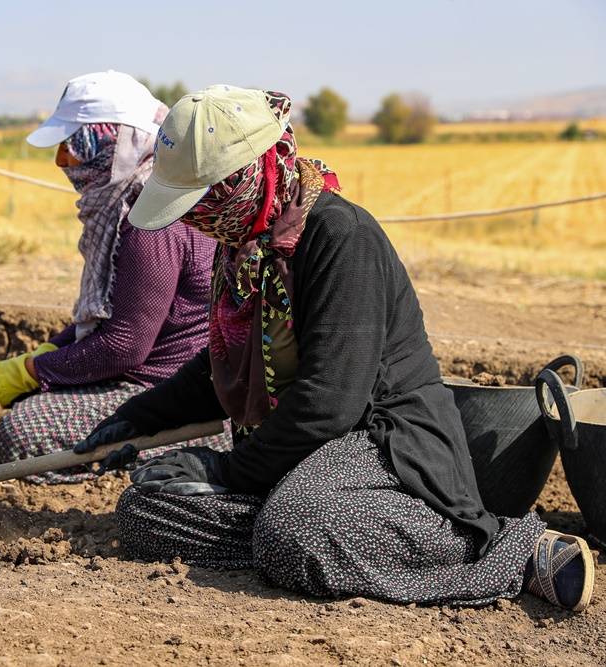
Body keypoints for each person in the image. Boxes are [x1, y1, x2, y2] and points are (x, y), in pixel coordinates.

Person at [75, 85, 595, 611]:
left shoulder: (340, 236)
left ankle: (510, 551)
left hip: (382, 450)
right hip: (301, 459)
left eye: (199, 202)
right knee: (146, 510)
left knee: (294, 527)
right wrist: (139, 416)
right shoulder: (245, 248)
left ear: (242, 177)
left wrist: (221, 473)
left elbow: (330, 403)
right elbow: (224, 361)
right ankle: (301, 542)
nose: (191, 219)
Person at [0, 71, 229, 483]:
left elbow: (125, 345)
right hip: (150, 376)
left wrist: (34, 371)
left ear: (114, 144)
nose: (60, 161)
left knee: (21, 432)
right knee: (29, 405)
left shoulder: (151, 221)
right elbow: (113, 314)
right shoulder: (129, 203)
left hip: (170, 391)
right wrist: (48, 354)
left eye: (74, 146)